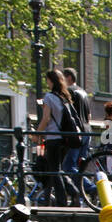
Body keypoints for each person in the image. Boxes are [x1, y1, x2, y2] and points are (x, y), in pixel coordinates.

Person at [36, 69, 83, 206]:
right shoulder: (64, 97)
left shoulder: (49, 97)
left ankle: (62, 201)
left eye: (47, 80)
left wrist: (37, 134)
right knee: (58, 169)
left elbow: (46, 118)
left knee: (54, 170)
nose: (46, 82)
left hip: (53, 138)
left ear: (50, 81)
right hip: (64, 139)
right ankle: (74, 193)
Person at [61, 67, 91, 188]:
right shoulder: (83, 92)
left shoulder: (69, 91)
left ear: (68, 78)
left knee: (69, 166)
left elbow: (66, 112)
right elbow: (89, 115)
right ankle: (80, 194)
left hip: (76, 132)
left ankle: (90, 187)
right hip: (87, 131)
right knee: (80, 166)